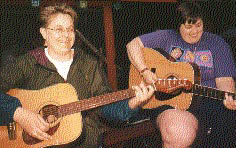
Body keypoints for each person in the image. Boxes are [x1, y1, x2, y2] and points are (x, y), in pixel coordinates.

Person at [0, 3, 155, 148]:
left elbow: (106, 109)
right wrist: (19, 114)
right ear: (44, 33)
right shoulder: (28, 63)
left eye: (70, 29)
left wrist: (133, 103)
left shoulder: (89, 65)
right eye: (58, 29)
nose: (66, 35)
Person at [103, 2, 236, 148]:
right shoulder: (166, 37)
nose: (194, 31)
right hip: (168, 102)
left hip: (207, 103)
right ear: (179, 26)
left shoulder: (217, 44)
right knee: (178, 132)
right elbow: (132, 45)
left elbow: (225, 83)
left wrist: (229, 98)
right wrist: (144, 71)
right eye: (189, 27)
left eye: (199, 25)